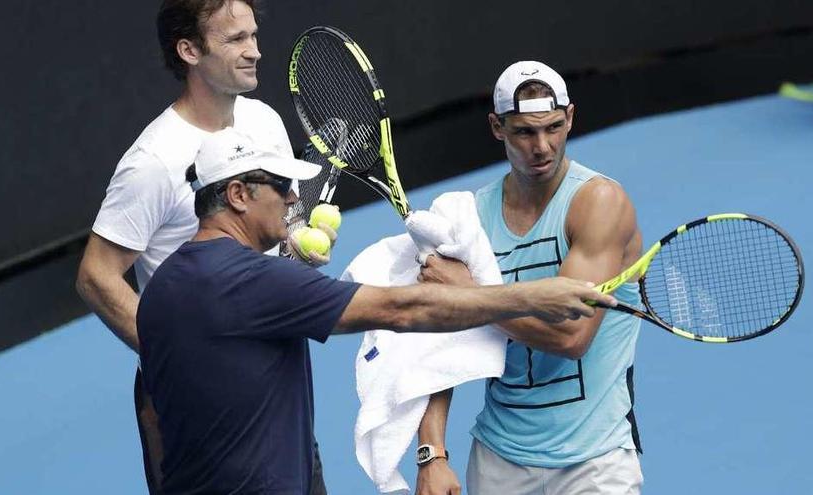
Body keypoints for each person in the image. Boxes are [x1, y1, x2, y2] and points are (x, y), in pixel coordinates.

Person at [137, 127, 617, 495]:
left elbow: (153, 413)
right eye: (279, 186)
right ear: (238, 195)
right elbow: (401, 308)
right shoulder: (257, 280)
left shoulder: (160, 289)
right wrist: (532, 296)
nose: (290, 199)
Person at [75, 1, 330, 491]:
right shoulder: (152, 160)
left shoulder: (264, 121)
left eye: (254, 36)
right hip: (196, 394)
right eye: (235, 40)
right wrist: (175, 352)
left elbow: (282, 224)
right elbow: (96, 275)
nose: (255, 51)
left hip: (275, 370)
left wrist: (298, 244)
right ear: (189, 50)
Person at [415, 61, 645, 495]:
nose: (543, 146)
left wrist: (470, 296)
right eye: (524, 132)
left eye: (554, 127)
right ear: (496, 127)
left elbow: (571, 337)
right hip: (498, 458)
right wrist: (432, 453)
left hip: (595, 464)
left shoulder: (599, 201)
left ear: (570, 118)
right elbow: (438, 342)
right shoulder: (470, 219)